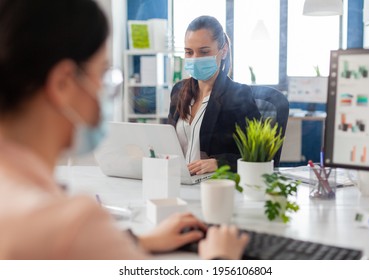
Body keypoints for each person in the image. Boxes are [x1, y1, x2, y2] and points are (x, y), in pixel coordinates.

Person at [0, 0, 248, 259]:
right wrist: (222, 259)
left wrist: (140, 240)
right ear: (63, 85)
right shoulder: (76, 225)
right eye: (104, 72)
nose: (108, 88)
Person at [168, 16, 261, 175]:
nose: (195, 58)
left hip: (216, 185)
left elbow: (259, 154)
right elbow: (167, 141)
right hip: (179, 181)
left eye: (204, 52)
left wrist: (220, 163)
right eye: (189, 52)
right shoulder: (179, 91)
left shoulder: (238, 95)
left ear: (223, 51)